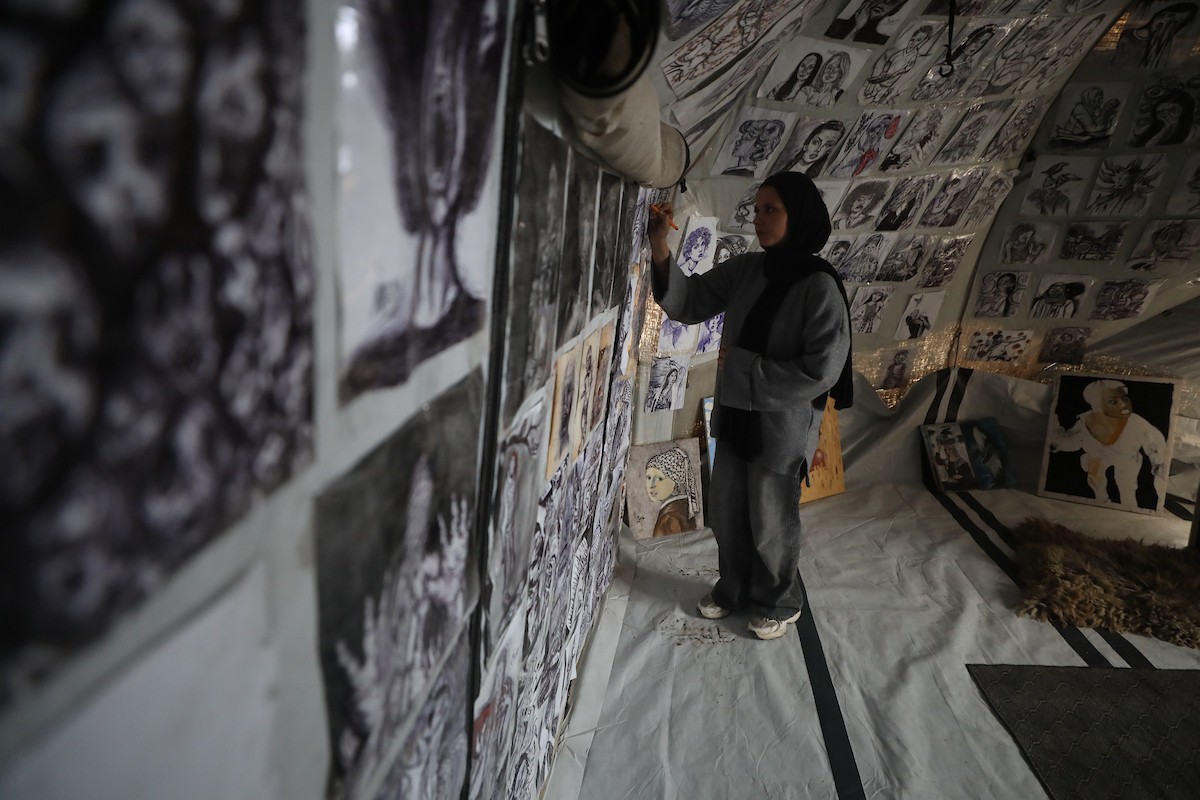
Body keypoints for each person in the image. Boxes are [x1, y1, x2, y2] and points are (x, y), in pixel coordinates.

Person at [647, 171, 852, 641]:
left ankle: (780, 600)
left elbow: (822, 369)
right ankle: (734, 587)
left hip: (781, 427)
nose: (758, 219)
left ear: (798, 215)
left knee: (770, 519)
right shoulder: (748, 269)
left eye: (770, 209)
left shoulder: (820, 286)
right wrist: (660, 245)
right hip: (737, 417)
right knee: (727, 509)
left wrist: (743, 369)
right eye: (757, 209)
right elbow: (690, 301)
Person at [1051, 379, 1166, 508]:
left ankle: (1129, 504)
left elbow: (1153, 440)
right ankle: (1102, 500)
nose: (1123, 404)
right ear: (1097, 406)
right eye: (1113, 401)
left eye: (1125, 399)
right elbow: (1073, 440)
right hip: (1098, 455)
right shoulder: (1087, 423)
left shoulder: (1135, 421)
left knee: (1126, 481)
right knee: (1095, 475)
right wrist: (1058, 442)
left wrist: (1157, 461)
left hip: (1126, 456)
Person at [645, 446, 700, 537]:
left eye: (659, 479)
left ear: (675, 482)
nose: (651, 485)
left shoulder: (669, 520)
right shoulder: (683, 507)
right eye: (649, 478)